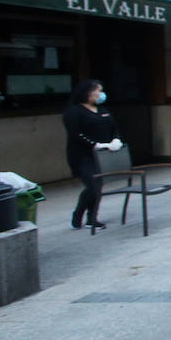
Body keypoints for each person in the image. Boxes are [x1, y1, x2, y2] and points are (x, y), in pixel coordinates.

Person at [62, 79, 120, 229]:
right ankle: (84, 215)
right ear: (87, 93)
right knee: (92, 185)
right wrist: (94, 144)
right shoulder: (74, 111)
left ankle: (89, 217)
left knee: (97, 186)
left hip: (102, 156)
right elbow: (75, 133)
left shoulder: (103, 110)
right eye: (98, 91)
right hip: (83, 156)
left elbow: (114, 128)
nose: (101, 94)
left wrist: (115, 140)